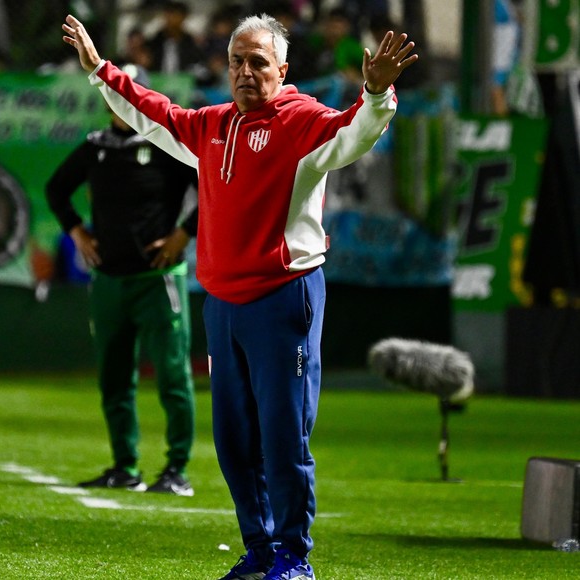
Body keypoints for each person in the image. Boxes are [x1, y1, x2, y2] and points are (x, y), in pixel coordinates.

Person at [62, 11, 416, 580]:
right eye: (237, 62)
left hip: (284, 298)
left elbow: (356, 133)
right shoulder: (213, 126)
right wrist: (100, 69)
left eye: (258, 62)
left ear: (282, 68)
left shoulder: (303, 122)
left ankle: (294, 559)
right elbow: (156, 116)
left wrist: (375, 92)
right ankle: (259, 550)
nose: (246, 73)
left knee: (284, 436)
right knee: (233, 441)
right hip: (222, 305)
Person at [45, 64, 199, 496]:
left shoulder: (165, 143)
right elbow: (56, 189)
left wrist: (183, 233)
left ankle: (177, 469)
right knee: (114, 376)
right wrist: (77, 232)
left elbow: (212, 187)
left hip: (158, 278)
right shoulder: (96, 147)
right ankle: (124, 465)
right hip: (109, 280)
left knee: (172, 375)